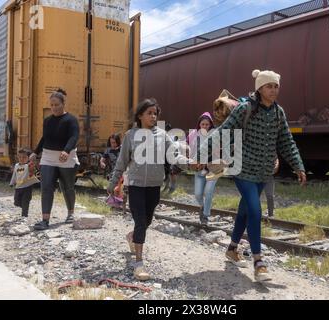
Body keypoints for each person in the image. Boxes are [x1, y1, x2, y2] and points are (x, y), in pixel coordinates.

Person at [201, 69, 307, 282]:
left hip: (264, 171)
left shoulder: (279, 113)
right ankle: (258, 262)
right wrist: (201, 152)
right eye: (269, 86)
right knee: (255, 211)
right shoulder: (245, 109)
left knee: (245, 211)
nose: (274, 90)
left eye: (276, 86)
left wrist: (298, 166)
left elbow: (286, 141)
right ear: (260, 88)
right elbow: (224, 131)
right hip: (242, 168)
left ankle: (232, 249)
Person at [107, 98, 192, 281]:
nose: (153, 116)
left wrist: (193, 164)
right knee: (140, 222)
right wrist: (112, 182)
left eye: (155, 113)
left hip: (154, 186)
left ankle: (132, 237)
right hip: (136, 185)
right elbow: (121, 162)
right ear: (140, 115)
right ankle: (138, 263)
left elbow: (175, 156)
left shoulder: (163, 135)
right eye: (149, 113)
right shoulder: (131, 135)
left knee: (147, 221)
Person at [30, 88, 80, 231]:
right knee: (46, 187)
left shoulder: (71, 120)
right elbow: (44, 138)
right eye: (51, 105)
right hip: (48, 157)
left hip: (67, 156)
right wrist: (35, 152)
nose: (54, 108)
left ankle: (70, 213)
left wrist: (66, 150)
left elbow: (74, 137)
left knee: (67, 187)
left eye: (57, 104)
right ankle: (45, 220)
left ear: (63, 104)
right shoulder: (47, 121)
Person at [187, 112, 217, 224]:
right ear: (199, 124)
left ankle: (205, 215)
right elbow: (188, 148)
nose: (204, 126)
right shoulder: (193, 135)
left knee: (208, 192)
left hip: (213, 169)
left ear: (210, 125)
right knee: (198, 194)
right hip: (199, 169)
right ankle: (202, 207)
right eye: (202, 124)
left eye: (207, 124)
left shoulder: (215, 135)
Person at [10, 148, 40, 218]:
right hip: (18, 187)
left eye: (24, 157)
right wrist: (12, 182)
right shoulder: (16, 166)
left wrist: (32, 165)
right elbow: (14, 175)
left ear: (28, 158)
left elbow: (33, 171)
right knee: (16, 202)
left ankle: (24, 216)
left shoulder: (29, 166)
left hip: (27, 187)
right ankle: (23, 206)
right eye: (20, 157)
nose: (21, 159)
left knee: (25, 201)